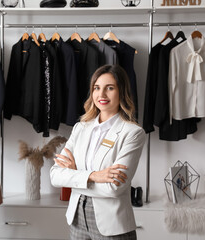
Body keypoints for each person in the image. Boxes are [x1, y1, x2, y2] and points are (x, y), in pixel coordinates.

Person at [50, 64, 146, 240]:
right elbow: (55, 176)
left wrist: (75, 175)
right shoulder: (80, 128)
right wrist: (94, 176)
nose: (101, 95)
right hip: (77, 219)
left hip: (112, 225)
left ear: (121, 92)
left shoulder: (132, 133)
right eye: (96, 88)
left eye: (109, 88)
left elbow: (113, 188)